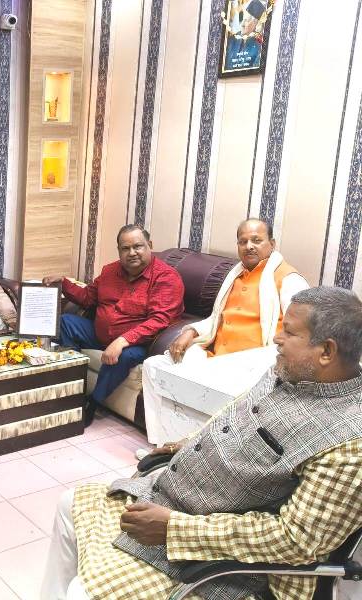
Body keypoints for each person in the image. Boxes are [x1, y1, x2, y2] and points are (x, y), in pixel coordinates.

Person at [42, 286, 362, 600]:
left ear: (326, 351)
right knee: (69, 504)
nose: (277, 338)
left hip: (221, 563)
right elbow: (234, 413)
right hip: (173, 500)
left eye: (289, 333)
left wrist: (174, 529)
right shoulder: (289, 372)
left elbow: (295, 540)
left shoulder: (350, 442)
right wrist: (185, 443)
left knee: (82, 593)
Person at [141, 218, 309, 445]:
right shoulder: (235, 275)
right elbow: (215, 319)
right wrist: (189, 332)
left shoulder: (288, 279)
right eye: (243, 241)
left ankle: (189, 448)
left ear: (272, 244)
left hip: (251, 364)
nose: (249, 246)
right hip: (215, 356)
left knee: (192, 386)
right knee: (154, 366)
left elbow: (301, 330)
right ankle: (161, 444)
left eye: (256, 240)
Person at [43, 225, 184, 424]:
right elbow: (88, 298)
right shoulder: (109, 271)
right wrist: (64, 283)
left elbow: (159, 320)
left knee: (123, 356)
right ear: (119, 250)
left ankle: (92, 403)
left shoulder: (166, 277)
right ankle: (72, 386)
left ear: (150, 245)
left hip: (137, 344)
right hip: (100, 334)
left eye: (137, 246)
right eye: (125, 248)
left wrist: (122, 341)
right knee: (66, 322)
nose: (132, 253)